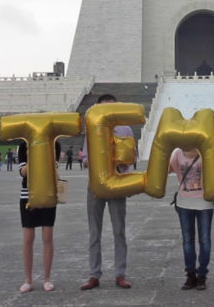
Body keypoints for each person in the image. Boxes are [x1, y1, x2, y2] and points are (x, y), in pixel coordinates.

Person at [81, 94, 135, 291]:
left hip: (117, 183)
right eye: (103, 109)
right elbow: (85, 159)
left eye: (111, 108)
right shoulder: (92, 129)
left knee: (119, 230)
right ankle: (94, 274)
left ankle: (120, 273)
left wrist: (118, 160)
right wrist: (97, 158)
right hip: (95, 185)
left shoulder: (125, 128)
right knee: (94, 232)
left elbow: (131, 157)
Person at [169, 147, 214, 290]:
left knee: (205, 239)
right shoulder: (177, 153)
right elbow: (170, 170)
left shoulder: (206, 150)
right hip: (184, 201)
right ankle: (190, 274)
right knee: (187, 239)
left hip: (205, 201)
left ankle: (202, 274)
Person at [17, 142, 57, 293]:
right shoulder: (23, 145)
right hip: (27, 195)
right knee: (28, 237)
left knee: (47, 236)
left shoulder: (54, 143)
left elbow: (52, 168)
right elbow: (23, 172)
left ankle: (47, 278)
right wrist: (33, 156)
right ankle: (28, 280)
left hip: (47, 193)